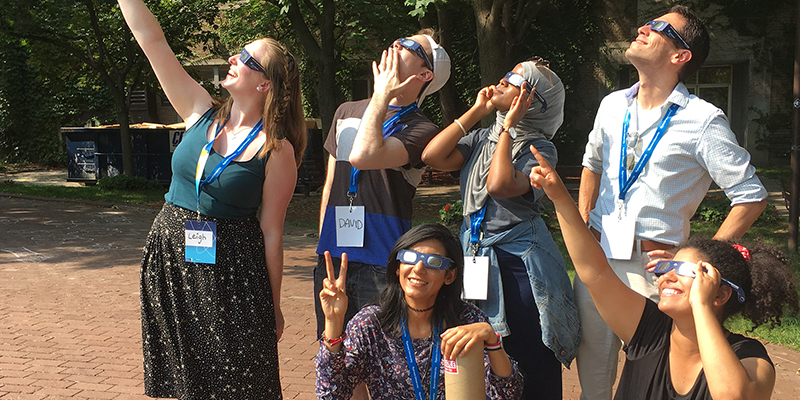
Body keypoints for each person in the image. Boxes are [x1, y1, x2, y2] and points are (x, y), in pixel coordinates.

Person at [576, 5, 768, 399]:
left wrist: (695, 260)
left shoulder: (703, 120)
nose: (643, 27)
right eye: (646, 23)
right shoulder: (612, 105)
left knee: (652, 377)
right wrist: (582, 227)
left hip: (655, 271)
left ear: (681, 56)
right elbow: (590, 165)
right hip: (598, 259)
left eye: (659, 27)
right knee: (592, 381)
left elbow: (751, 196)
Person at [118, 0, 306, 398]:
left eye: (246, 58)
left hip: (233, 273)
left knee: (237, 383)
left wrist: (273, 307)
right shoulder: (200, 110)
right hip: (171, 255)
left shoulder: (277, 151)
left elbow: (272, 233)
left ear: (265, 84)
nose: (232, 58)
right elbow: (152, 41)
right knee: (181, 381)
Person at [528, 146, 799, 400]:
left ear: (721, 293)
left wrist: (701, 307)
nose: (666, 275)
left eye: (682, 269)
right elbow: (595, 272)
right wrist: (559, 197)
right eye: (668, 266)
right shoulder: (648, 330)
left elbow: (732, 395)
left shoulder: (750, 357)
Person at [421, 59, 579, 399]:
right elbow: (432, 155)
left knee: (528, 355)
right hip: (477, 255)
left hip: (520, 266)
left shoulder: (539, 147)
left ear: (532, 102)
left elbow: (499, 184)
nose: (502, 82)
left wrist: (508, 128)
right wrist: (477, 110)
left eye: (514, 81)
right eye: (504, 75)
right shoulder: (481, 137)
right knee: (484, 361)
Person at [314, 30, 451, 338]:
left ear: (425, 73)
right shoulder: (346, 111)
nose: (397, 43)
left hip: (382, 262)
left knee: (377, 366)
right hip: (333, 257)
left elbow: (365, 155)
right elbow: (331, 183)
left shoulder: (422, 128)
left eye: (411, 46)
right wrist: (323, 246)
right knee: (333, 352)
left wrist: (381, 95)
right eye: (399, 38)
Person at [315, 223, 523, 399]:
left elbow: (507, 393)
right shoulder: (371, 323)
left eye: (433, 262)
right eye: (409, 257)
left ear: (449, 276)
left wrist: (492, 341)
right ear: (397, 267)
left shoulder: (467, 320)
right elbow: (332, 393)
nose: (418, 268)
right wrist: (333, 323)